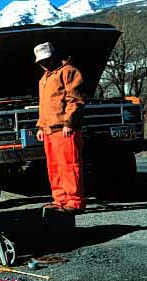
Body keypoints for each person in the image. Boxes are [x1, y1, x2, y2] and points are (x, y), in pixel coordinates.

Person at [34, 42, 86, 214]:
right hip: (49, 131)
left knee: (70, 165)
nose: (44, 64)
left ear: (55, 56)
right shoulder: (44, 78)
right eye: (41, 61)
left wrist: (68, 123)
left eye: (47, 60)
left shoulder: (68, 71)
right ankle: (60, 200)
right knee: (54, 167)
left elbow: (75, 99)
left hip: (64, 129)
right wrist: (41, 126)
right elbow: (43, 105)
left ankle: (75, 202)